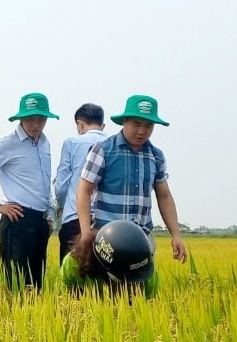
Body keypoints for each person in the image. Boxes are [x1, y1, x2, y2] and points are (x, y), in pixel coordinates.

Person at [74, 94, 188, 264]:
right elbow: (84, 191)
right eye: (136, 124)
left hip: (142, 239)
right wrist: (85, 235)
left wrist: (176, 235)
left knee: (139, 288)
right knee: (104, 289)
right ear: (125, 121)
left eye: (148, 126)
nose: (142, 131)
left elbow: (164, 196)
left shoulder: (156, 156)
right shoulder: (104, 151)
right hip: (107, 239)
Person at [0, 92, 57, 290]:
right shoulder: (7, 143)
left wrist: (50, 216)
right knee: (18, 284)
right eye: (30, 119)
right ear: (21, 119)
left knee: (37, 284)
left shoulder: (44, 143)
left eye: (41, 119)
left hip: (40, 222)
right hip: (18, 220)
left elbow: (44, 182)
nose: (36, 125)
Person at [53, 103, 109, 262]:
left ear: (80, 123)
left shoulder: (71, 143)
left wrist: (62, 205)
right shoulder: (113, 144)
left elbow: (61, 185)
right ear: (102, 125)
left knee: (73, 275)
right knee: (103, 278)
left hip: (74, 218)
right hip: (106, 222)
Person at [63, 219, 158, 298]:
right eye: (123, 279)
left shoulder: (145, 271)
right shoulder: (73, 263)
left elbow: (152, 304)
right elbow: (67, 300)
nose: (129, 283)